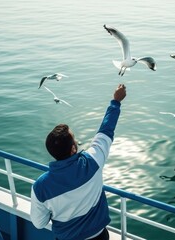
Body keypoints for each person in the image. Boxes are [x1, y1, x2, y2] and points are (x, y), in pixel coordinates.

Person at [30, 84, 127, 240]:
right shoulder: (92, 161)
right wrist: (116, 101)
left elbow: (39, 223)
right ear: (73, 149)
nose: (76, 141)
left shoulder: (41, 187)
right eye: (74, 139)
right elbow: (106, 131)